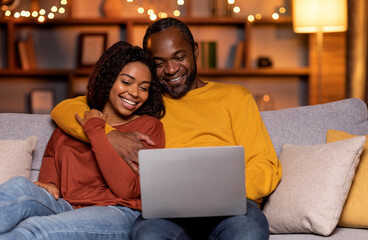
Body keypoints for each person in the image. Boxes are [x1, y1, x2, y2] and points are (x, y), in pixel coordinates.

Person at [51, 18, 282, 240]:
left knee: (249, 231)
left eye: (179, 57)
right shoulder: (143, 98)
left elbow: (264, 162)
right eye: (159, 63)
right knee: (147, 235)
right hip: (167, 211)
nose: (171, 70)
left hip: (230, 207)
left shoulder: (235, 97)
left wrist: (222, 193)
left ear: (195, 51)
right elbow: (65, 109)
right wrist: (110, 136)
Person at [0, 41, 165, 239]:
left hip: (116, 212)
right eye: (127, 82)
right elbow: (52, 157)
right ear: (109, 79)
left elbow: (128, 189)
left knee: (33, 230)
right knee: (18, 187)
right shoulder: (73, 120)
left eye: (144, 88)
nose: (135, 93)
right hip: (65, 206)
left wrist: (96, 131)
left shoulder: (149, 128)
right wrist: (49, 183)